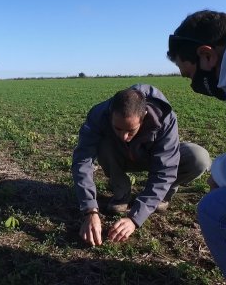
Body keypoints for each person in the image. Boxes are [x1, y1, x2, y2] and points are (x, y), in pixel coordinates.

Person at [167, 10, 226, 284]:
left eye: (190, 74)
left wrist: (219, 172)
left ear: (207, 55)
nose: (195, 85)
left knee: (218, 210)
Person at [72, 84, 211, 246]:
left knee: (199, 157)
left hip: (152, 158)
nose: (124, 136)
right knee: (101, 143)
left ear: (144, 116)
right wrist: (90, 210)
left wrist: (134, 218)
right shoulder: (99, 114)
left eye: (131, 130)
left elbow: (165, 170)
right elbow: (82, 161)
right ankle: (121, 191)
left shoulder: (165, 117)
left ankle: (161, 195)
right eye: (118, 128)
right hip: (119, 155)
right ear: (111, 114)